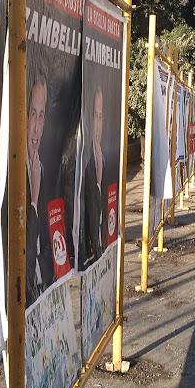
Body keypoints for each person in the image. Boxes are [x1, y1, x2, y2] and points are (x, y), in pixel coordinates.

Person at [26, 73, 53, 307]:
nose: (36, 128)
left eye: (41, 115)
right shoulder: (10, 173)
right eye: (32, 114)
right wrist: (33, 202)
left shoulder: (40, 169)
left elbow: (46, 243)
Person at [82, 87, 108, 268]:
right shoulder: (83, 160)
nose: (97, 123)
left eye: (100, 116)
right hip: (87, 255)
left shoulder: (103, 159)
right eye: (94, 116)